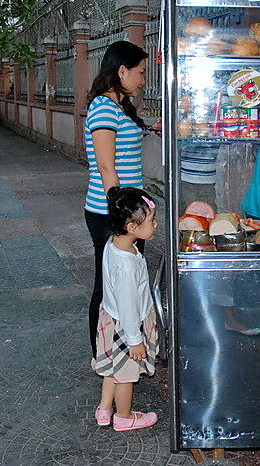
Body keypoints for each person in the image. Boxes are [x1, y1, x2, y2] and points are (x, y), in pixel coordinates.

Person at [84, 40, 149, 355]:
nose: (142, 79)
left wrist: (151, 127)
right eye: (139, 72)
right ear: (121, 70)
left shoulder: (120, 107)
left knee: (127, 283)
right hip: (111, 213)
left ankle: (125, 343)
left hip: (129, 211)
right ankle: (103, 352)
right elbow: (107, 167)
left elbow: (125, 142)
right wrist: (124, 217)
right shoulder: (103, 107)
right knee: (108, 285)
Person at [92, 186, 159, 432]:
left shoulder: (114, 243)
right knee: (126, 375)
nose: (155, 225)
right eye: (151, 220)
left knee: (112, 368)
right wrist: (135, 339)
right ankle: (124, 416)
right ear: (132, 227)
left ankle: (104, 409)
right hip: (126, 326)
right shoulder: (128, 265)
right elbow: (129, 305)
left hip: (110, 318)